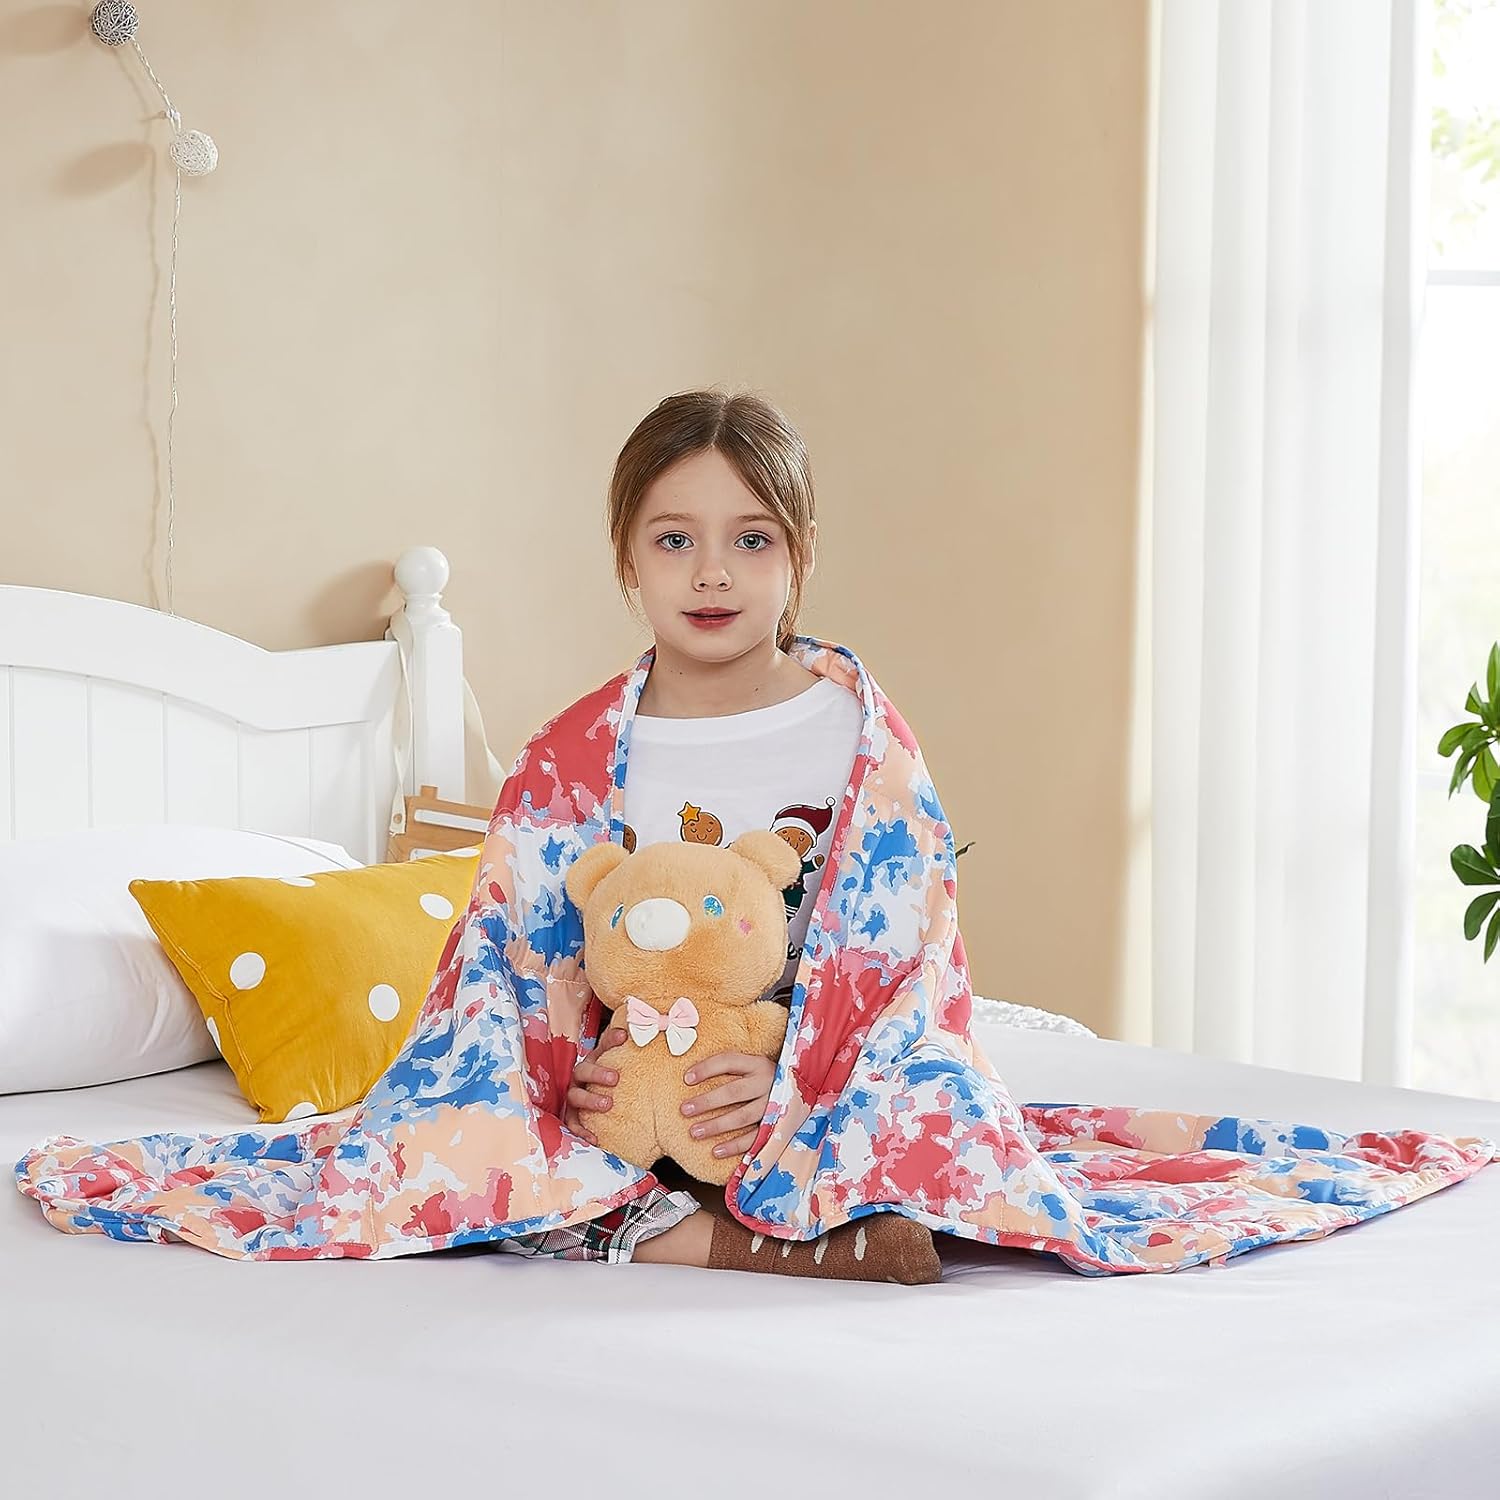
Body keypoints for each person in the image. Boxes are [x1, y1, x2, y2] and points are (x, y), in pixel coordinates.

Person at [495, 389, 943, 1282]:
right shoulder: (567, 758)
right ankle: (744, 1243)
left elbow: (908, 968)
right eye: (674, 540)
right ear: (626, 554)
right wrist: (572, 1075)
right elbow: (512, 971)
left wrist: (789, 1079)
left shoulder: (862, 741)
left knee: (936, 1121)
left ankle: (822, 1204)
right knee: (466, 1169)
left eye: (752, 539)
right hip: (634, 1112)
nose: (711, 574)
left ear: (800, 551)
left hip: (805, 1091)